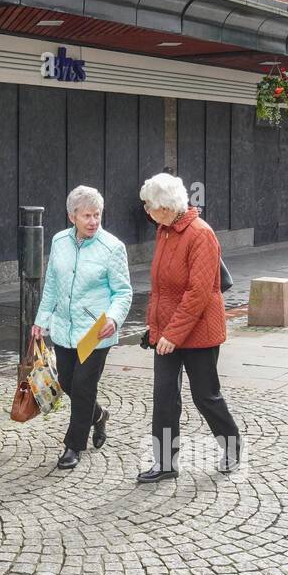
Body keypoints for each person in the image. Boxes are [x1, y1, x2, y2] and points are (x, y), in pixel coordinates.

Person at [137, 172, 241, 483]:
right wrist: (155, 329)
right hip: (167, 332)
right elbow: (162, 290)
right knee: (164, 397)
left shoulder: (200, 234)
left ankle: (232, 445)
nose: (146, 211)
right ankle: (165, 463)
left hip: (199, 333)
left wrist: (172, 333)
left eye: (148, 205)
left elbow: (199, 293)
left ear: (166, 208)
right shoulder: (165, 230)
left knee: (205, 395)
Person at [31, 185, 133, 470]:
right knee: (66, 382)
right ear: (71, 216)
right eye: (86, 215)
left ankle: (74, 445)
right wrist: (41, 320)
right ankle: (99, 416)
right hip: (64, 327)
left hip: (95, 330)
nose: (93, 221)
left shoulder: (112, 248)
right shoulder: (59, 241)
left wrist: (113, 318)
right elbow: (51, 284)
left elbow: (123, 292)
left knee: (84, 385)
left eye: (97, 215)